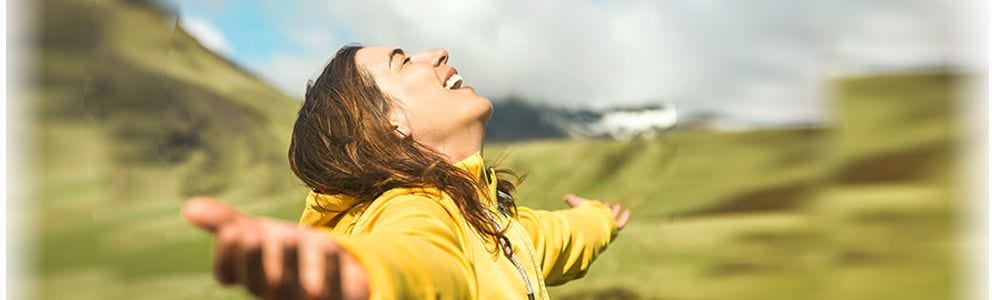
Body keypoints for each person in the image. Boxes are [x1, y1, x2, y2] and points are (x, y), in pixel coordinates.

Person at [183, 45, 632, 300]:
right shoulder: (416, 208)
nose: (436, 53)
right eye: (402, 61)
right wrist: (359, 275)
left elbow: (554, 238)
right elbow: (418, 262)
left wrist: (599, 219)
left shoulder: (488, 218)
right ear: (388, 123)